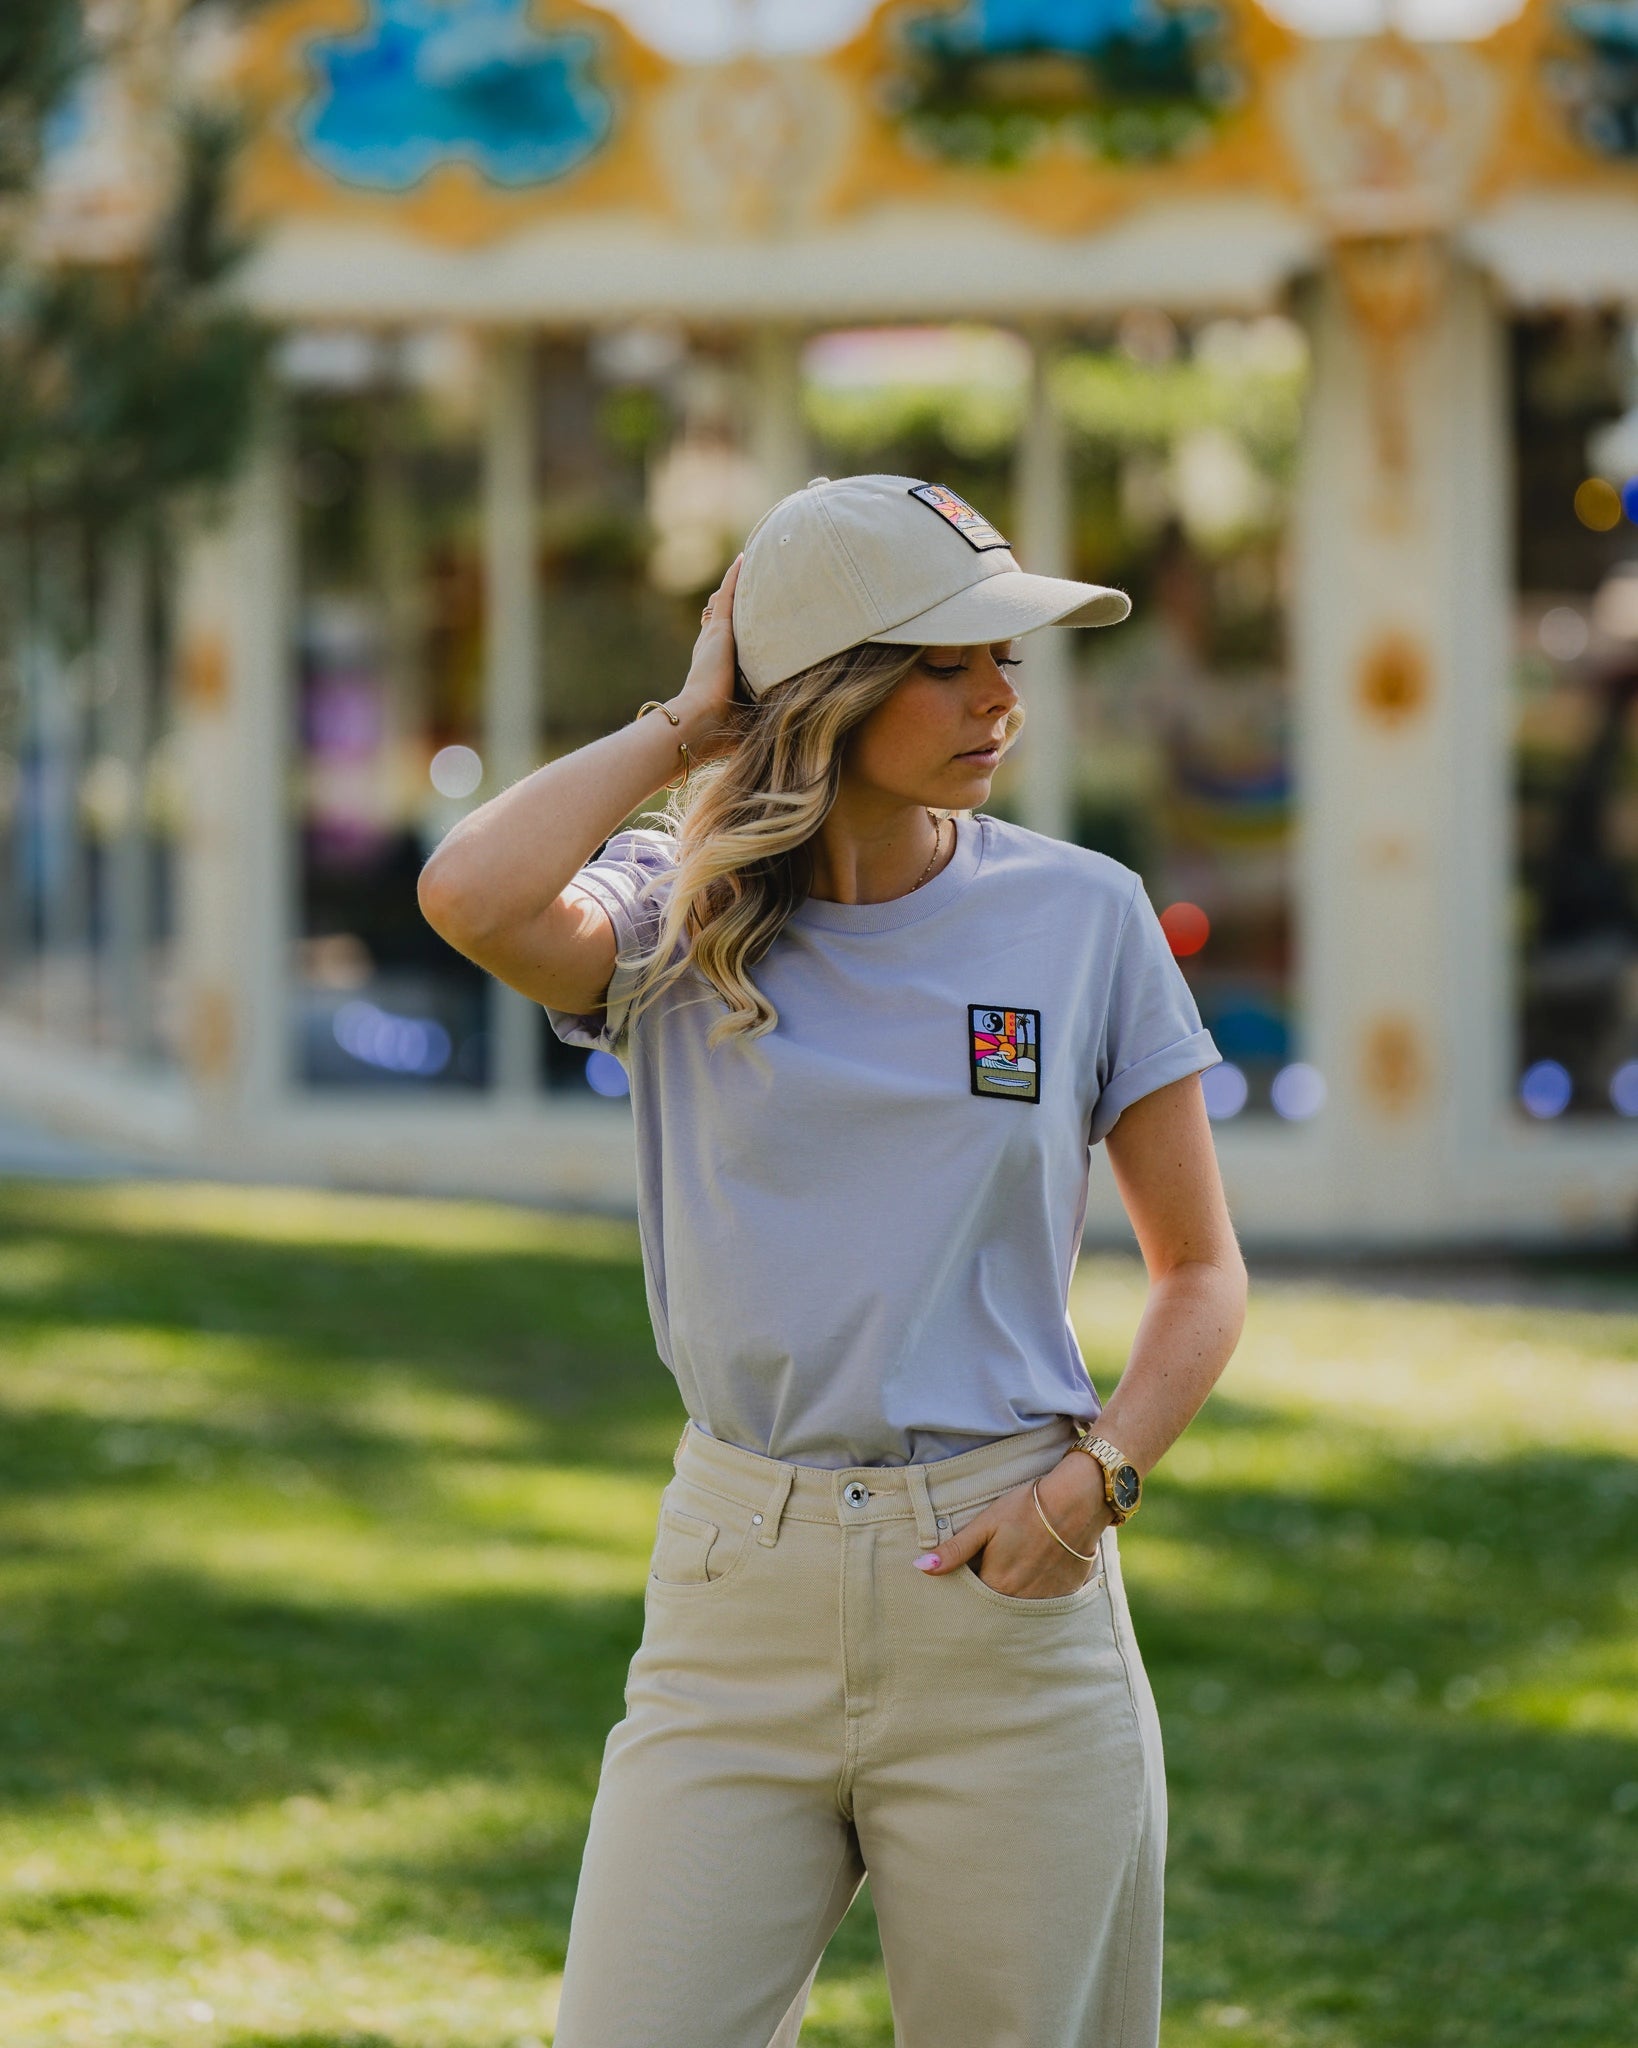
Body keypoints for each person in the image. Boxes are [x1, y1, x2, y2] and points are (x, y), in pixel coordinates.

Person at [417, 473, 1247, 2048]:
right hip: (738, 1584)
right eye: (945, 661)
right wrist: (687, 723)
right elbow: (467, 895)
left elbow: (1198, 1272)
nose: (997, 697)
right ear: (830, 688)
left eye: (1006, 659)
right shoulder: (673, 912)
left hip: (1009, 1582)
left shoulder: (1083, 916)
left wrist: (1099, 1482)